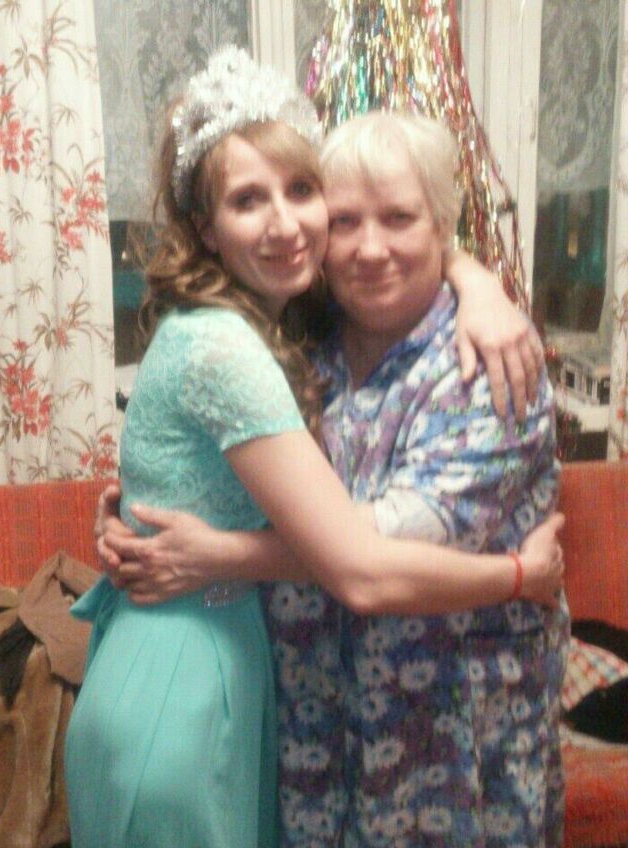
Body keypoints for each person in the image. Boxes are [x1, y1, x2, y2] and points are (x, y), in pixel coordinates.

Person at [97, 106, 568, 848]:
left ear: (443, 228)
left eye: (399, 218)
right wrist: (144, 510)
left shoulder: (489, 369)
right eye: (345, 221)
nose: (369, 249)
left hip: (443, 746)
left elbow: (387, 545)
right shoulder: (297, 341)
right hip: (311, 733)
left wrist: (217, 556)